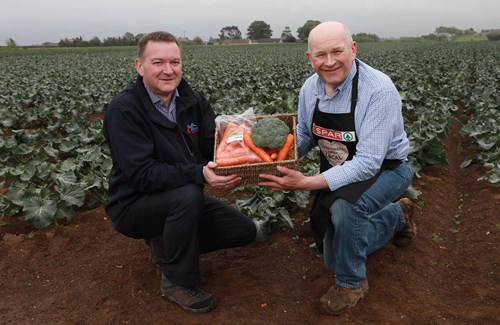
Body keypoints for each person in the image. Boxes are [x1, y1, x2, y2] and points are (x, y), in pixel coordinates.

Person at [258, 21, 416, 315]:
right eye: (320, 55)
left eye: (337, 51)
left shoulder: (378, 89)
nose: (329, 62)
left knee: (345, 210)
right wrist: (275, 157)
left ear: (353, 49)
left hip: (388, 170)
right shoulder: (310, 88)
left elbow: (368, 163)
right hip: (340, 168)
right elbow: (305, 135)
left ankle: (351, 282)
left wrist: (307, 183)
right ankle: (397, 216)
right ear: (309, 58)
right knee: (332, 252)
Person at [103, 31, 256, 314]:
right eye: (158, 62)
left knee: (243, 230)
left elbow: (215, 145)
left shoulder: (192, 100)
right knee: (186, 195)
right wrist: (200, 174)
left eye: (175, 62)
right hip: (133, 204)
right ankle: (176, 279)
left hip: (182, 199)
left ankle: (166, 247)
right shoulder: (124, 110)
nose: (168, 70)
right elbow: (142, 174)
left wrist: (247, 153)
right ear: (140, 66)